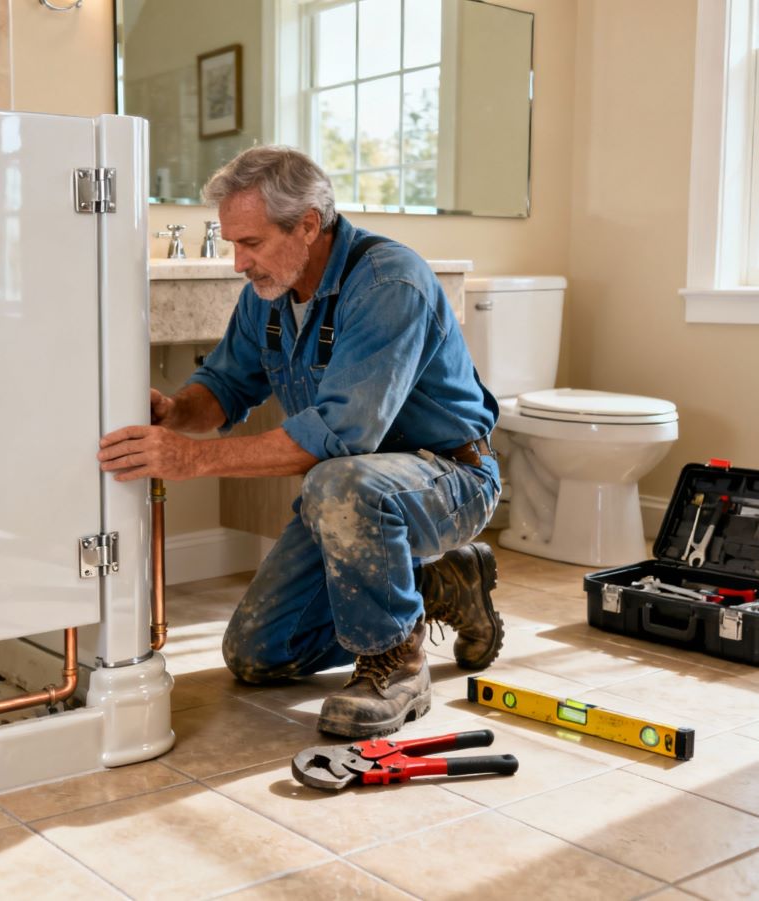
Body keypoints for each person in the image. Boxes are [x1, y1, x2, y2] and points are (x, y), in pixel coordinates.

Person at [97, 146, 503, 739]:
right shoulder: (269, 294)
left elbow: (340, 437)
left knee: (336, 480)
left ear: (308, 225)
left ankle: (396, 661)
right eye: (232, 244)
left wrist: (191, 459)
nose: (238, 262)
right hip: (352, 496)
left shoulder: (389, 282)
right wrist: (176, 411)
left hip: (450, 478)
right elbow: (225, 386)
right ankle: (437, 584)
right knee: (257, 653)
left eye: (251, 243)